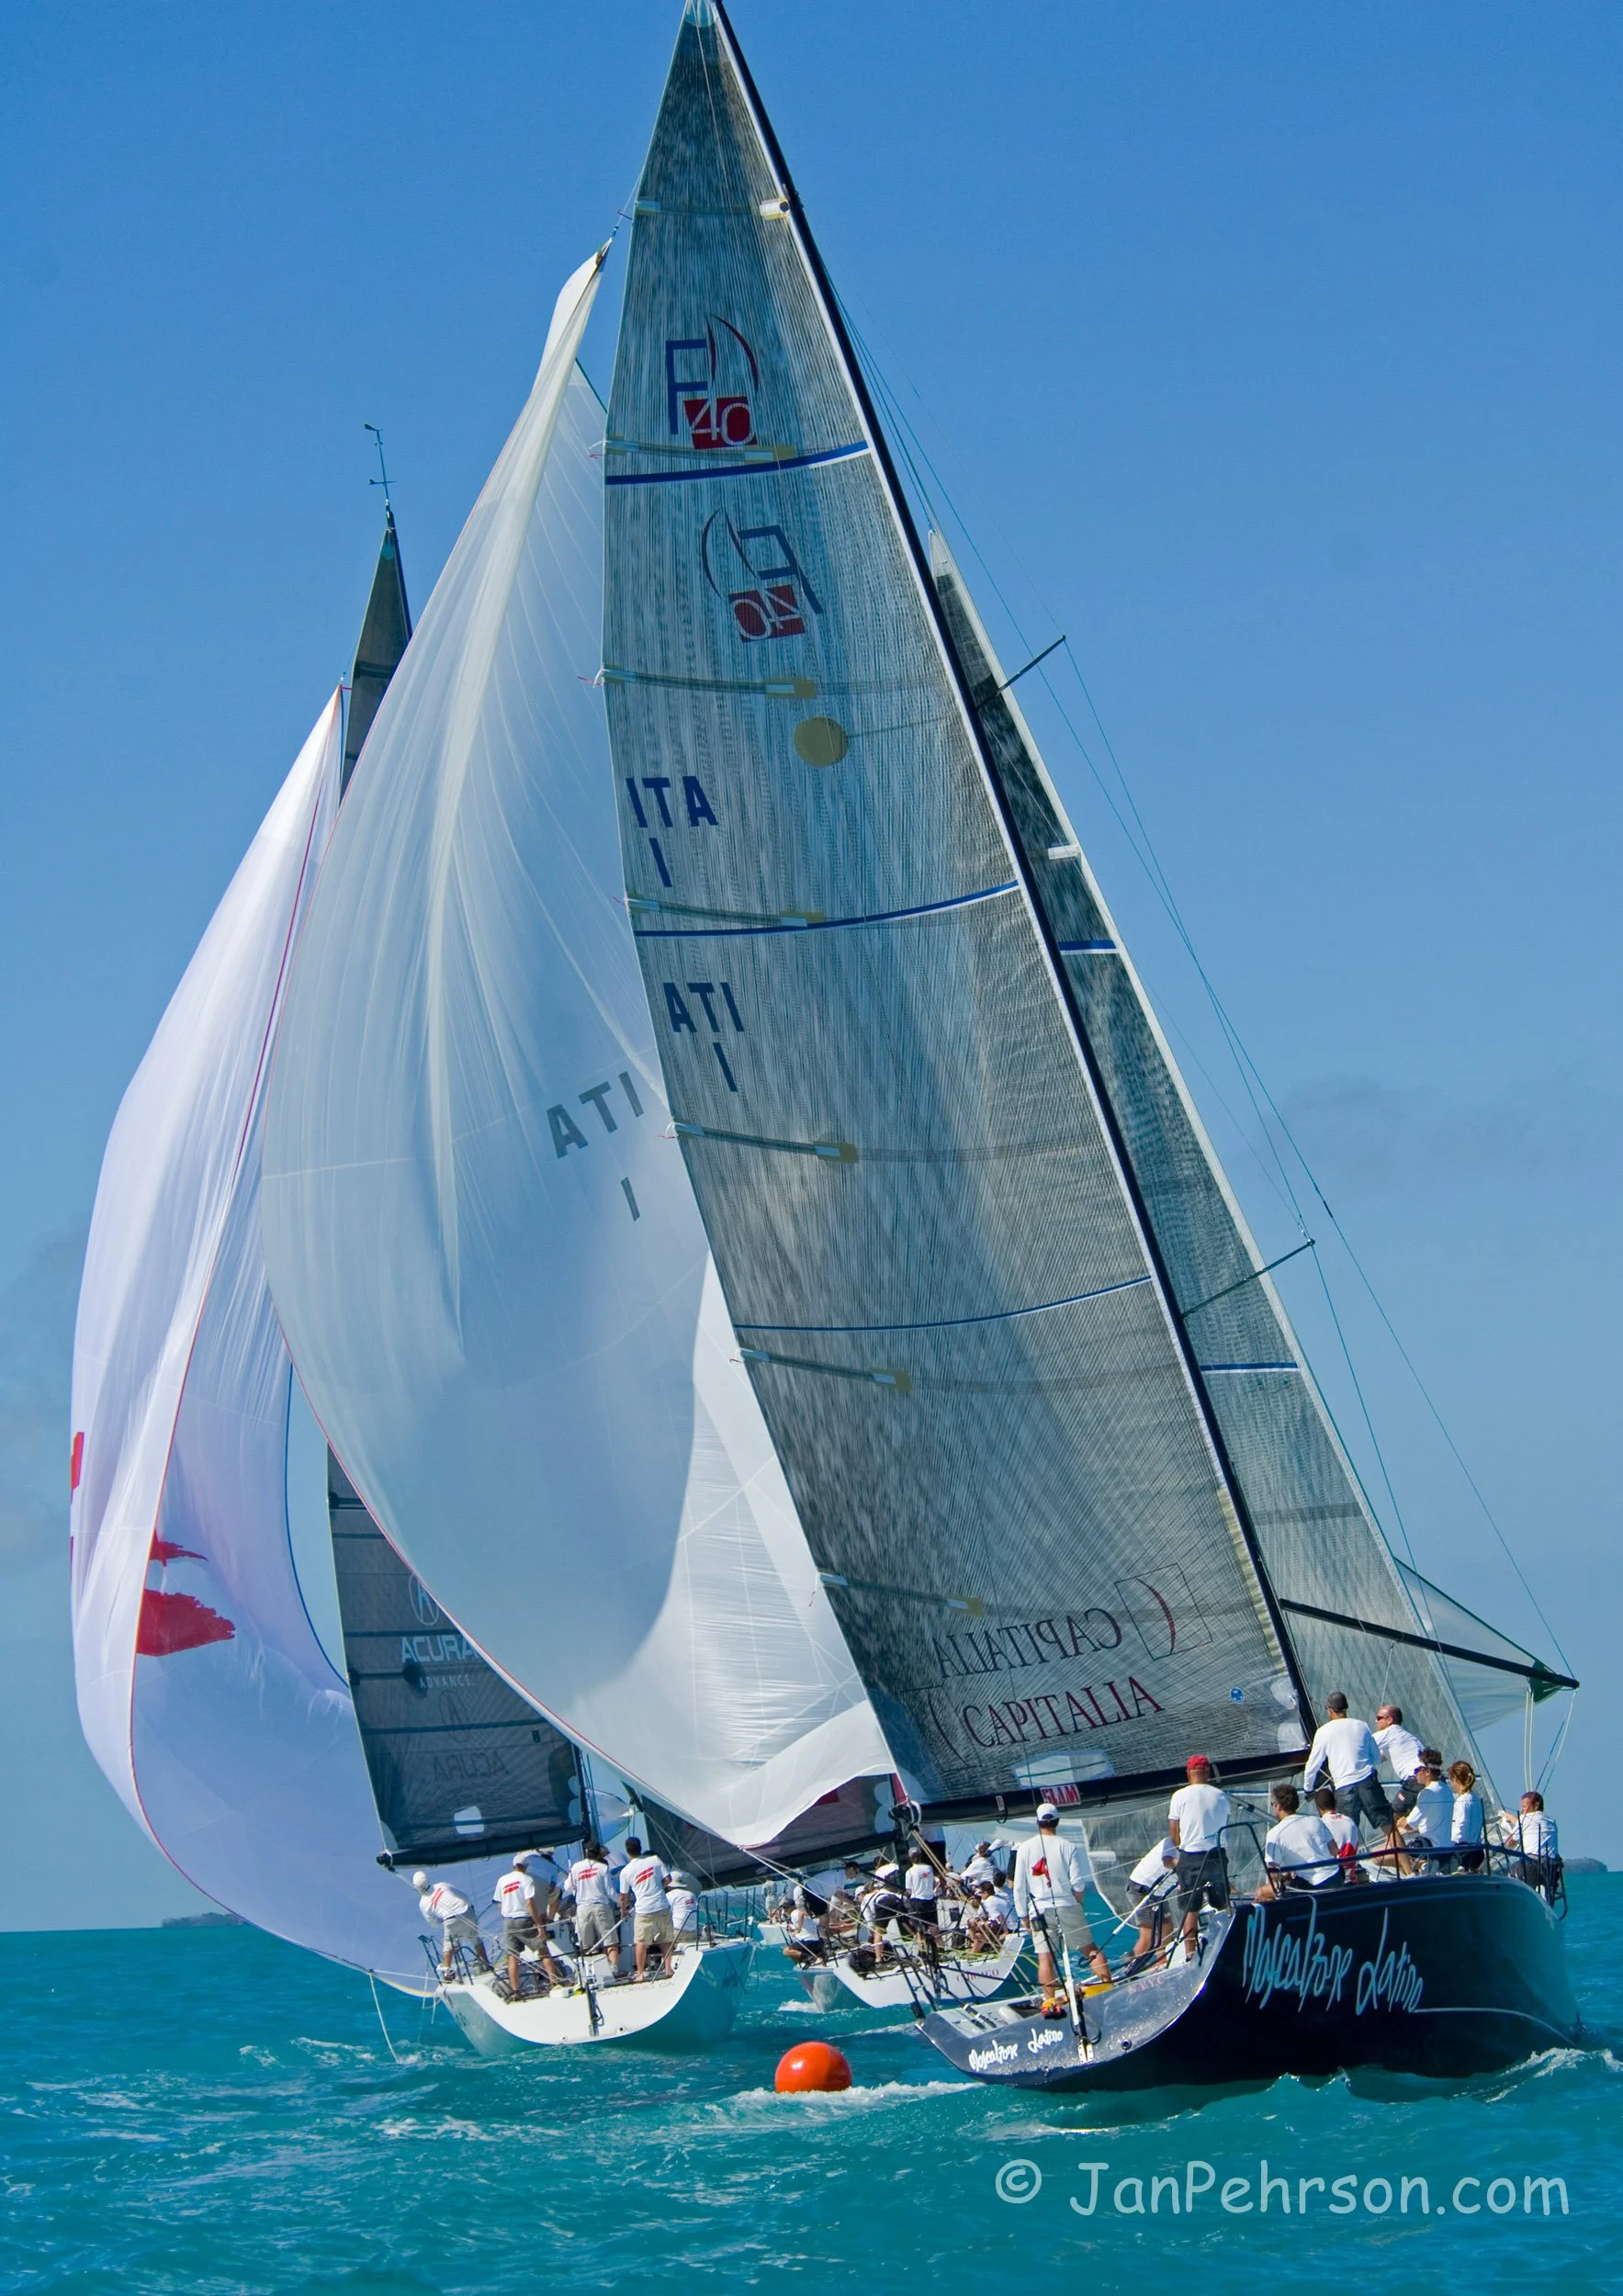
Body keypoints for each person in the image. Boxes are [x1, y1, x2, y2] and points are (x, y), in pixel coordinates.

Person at [1012, 1803, 1111, 2011]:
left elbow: (1019, 1887)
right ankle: (1106, 1987)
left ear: (1038, 1822)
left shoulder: (1024, 1848)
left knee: (1045, 1958)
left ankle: (1050, 2002)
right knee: (1090, 1949)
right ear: (1056, 1822)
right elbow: (1077, 1883)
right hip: (1066, 1904)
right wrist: (1079, 1904)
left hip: (1039, 1909)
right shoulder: (1067, 1846)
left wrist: (1023, 1916)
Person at [1302, 1694, 1394, 1842]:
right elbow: (1376, 1758)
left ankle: (1352, 1865)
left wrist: (1308, 1788)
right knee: (1389, 1828)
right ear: (1345, 1709)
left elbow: (1313, 1765)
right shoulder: (1361, 1725)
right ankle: (1407, 1866)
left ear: (1330, 1710)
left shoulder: (1323, 1732)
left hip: (1344, 1788)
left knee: (1347, 1835)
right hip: (1368, 1782)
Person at [1167, 1755, 1231, 1954]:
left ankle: (1190, 1954)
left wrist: (1180, 1847)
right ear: (1208, 1772)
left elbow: (1174, 1832)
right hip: (1216, 1855)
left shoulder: (1179, 1796)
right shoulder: (1222, 1795)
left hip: (1191, 1857)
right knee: (1222, 1904)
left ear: (1188, 1773)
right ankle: (1226, 1945)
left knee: (1190, 1908)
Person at [494, 1851, 568, 1997]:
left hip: (508, 1921)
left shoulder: (502, 1880)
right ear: (525, 1866)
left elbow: (498, 1904)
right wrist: (539, 1924)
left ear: (513, 1866)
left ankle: (515, 1991)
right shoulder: (526, 1879)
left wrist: (506, 1918)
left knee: (513, 1958)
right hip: (525, 1919)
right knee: (543, 1951)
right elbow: (530, 1903)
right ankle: (554, 1983)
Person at [1257, 1784, 1343, 1897]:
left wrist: (1285, 1875)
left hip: (1307, 1889)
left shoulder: (1274, 1834)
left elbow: (1273, 1873)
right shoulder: (1316, 1820)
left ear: (1278, 1806)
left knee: (1261, 1893)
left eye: (1272, 1804)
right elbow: (1334, 1850)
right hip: (1334, 1879)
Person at [618, 1837, 677, 1981]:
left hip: (643, 1909)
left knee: (640, 1942)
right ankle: (668, 1969)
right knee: (666, 1938)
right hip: (661, 1904)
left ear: (627, 1851)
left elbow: (623, 1896)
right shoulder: (655, 1860)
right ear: (641, 1848)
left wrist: (623, 1911)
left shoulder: (626, 1871)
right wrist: (658, 1888)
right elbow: (668, 1879)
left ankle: (640, 1974)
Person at [414, 1870, 489, 1976]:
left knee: (448, 1946)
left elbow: (433, 1923)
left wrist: (442, 1920)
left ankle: (447, 1973)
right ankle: (486, 1964)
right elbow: (463, 1895)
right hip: (467, 1911)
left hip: (450, 1920)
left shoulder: (423, 1903)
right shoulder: (441, 1885)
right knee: (475, 1940)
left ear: (416, 1888)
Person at [567, 1839, 623, 1979]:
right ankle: (614, 1970)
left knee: (586, 1945)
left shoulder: (576, 1867)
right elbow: (610, 1892)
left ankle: (589, 1974)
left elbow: (568, 1886)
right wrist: (622, 1903)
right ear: (598, 1851)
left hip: (583, 1909)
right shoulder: (603, 1868)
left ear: (585, 1852)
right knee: (610, 1941)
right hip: (600, 1906)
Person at [1123, 1834, 1176, 1970]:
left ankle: (1161, 1962)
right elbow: (1167, 1862)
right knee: (1149, 1935)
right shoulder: (1171, 1843)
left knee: (1167, 1926)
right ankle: (1131, 1969)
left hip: (1157, 1890)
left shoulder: (1194, 1848)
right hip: (1142, 1887)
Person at [1499, 1792, 1560, 1894]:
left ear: (1536, 1805)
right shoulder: (1551, 1821)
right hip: (1551, 1868)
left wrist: (1500, 1849)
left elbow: (1511, 1843)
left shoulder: (1523, 1819)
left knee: (1510, 1875)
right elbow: (1533, 1824)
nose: (1521, 1810)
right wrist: (1515, 1821)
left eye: (1524, 1807)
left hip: (1530, 1866)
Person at [1396, 1760, 1452, 1870]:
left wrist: (1400, 1820)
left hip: (1429, 1846)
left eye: (1417, 1770)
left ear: (1427, 1772)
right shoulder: (1446, 1789)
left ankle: (1422, 1865)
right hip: (1445, 1846)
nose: (1414, 1773)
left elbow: (1408, 1825)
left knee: (1377, 1857)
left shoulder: (1427, 1793)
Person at [1374, 1705, 1427, 1816]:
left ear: (1389, 1720)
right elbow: (1376, 1758)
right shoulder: (1404, 1737)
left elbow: (1362, 1743)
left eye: (1379, 1718)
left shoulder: (1391, 1732)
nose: (1376, 1721)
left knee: (1393, 1817)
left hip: (1416, 1781)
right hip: (1431, 1780)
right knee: (1417, 1820)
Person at [1446, 1761, 1486, 1872]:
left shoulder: (1462, 1800)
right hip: (1477, 1851)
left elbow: (1462, 1827)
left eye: (1451, 1780)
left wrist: (1450, 1845)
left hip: (1463, 1853)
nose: (1451, 1784)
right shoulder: (1476, 1799)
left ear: (1456, 1780)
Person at [904, 1846, 941, 1935]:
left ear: (910, 1858)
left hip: (917, 1902)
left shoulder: (909, 1872)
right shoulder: (929, 1868)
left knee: (919, 1930)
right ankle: (941, 1948)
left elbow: (909, 1891)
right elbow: (933, 1884)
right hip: (930, 1901)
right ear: (920, 1856)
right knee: (934, 1928)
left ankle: (922, 1948)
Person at [667, 1871, 700, 1942]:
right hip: (693, 1932)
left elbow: (664, 1914)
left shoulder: (669, 1896)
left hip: (677, 1933)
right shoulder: (692, 1895)